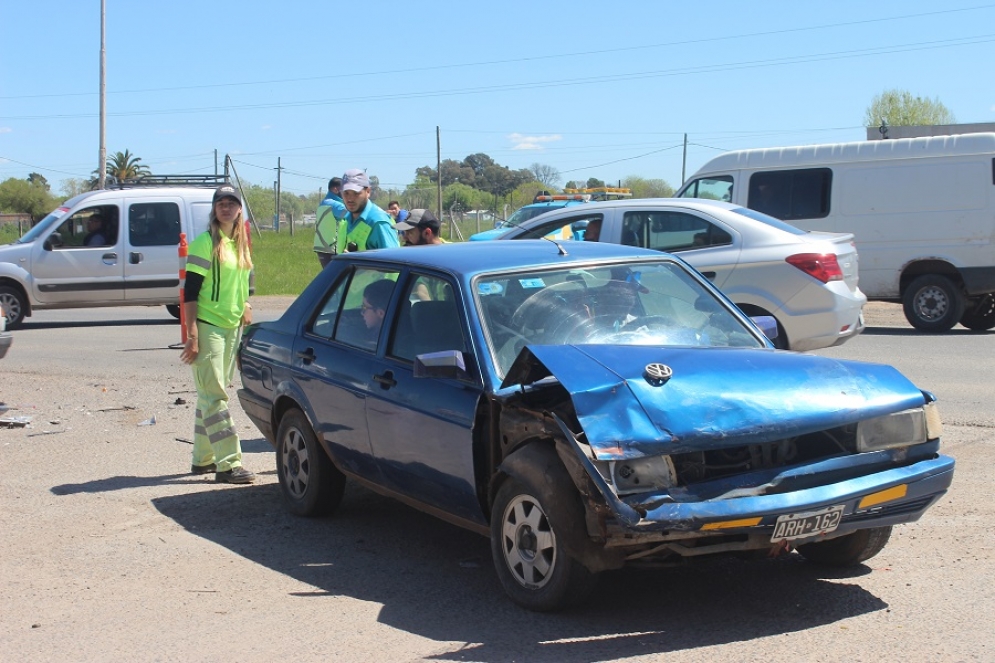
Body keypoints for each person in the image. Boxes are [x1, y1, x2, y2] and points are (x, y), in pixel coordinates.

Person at [180, 184, 256, 484]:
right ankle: (229, 464)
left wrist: (247, 303)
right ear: (214, 209)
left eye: (231, 203)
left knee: (210, 394)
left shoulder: (239, 243)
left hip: (231, 326)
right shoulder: (204, 243)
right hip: (209, 326)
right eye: (220, 203)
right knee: (216, 395)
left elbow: (246, 279)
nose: (226, 208)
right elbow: (190, 292)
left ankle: (203, 459)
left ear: (239, 209)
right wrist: (193, 333)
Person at [337, 169, 400, 252]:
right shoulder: (346, 219)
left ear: (368, 192)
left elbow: (393, 261)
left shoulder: (379, 223)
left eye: (356, 193)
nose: (350, 199)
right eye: (346, 193)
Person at [314, 177, 347, 268]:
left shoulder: (323, 203)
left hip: (322, 247)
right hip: (333, 248)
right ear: (335, 189)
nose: (346, 193)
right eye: (344, 190)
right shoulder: (337, 205)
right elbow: (354, 217)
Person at [361, 279, 394, 346]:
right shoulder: (401, 333)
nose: (362, 313)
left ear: (381, 313)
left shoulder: (376, 343)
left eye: (364, 308)